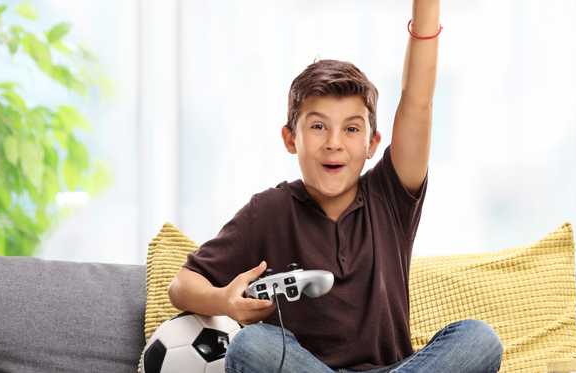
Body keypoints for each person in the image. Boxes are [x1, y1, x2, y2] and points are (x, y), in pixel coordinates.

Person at [168, 1, 503, 372]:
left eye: (351, 128)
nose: (334, 142)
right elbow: (181, 285)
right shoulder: (268, 211)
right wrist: (223, 301)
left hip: (395, 369)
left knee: (479, 339)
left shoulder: (389, 195)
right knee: (251, 344)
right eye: (317, 126)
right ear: (290, 138)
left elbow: (417, 101)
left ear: (372, 144)